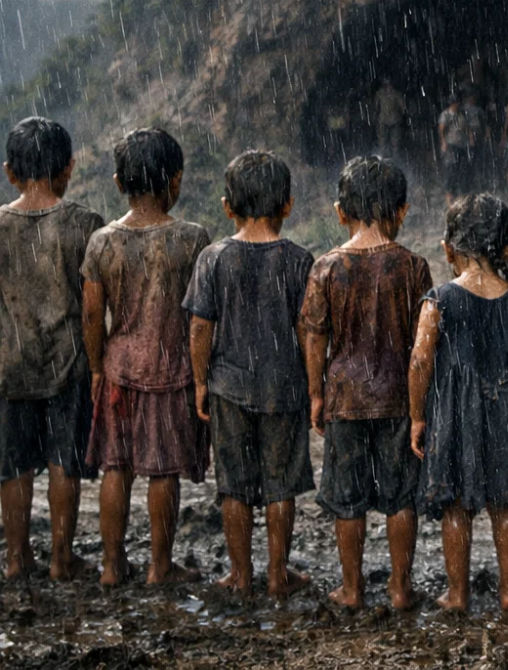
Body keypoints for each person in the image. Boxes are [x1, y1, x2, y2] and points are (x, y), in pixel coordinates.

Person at [408, 194, 508, 613]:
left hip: (455, 412)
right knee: (506, 500)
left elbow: (420, 359)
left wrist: (417, 416)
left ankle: (457, 594)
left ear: (448, 249)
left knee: (456, 503)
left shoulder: (438, 300)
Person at [299, 155, 431, 612]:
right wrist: (421, 407)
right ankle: (399, 587)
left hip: (345, 397)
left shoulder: (326, 268)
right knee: (400, 497)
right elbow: (422, 345)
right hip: (397, 396)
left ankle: (351, 588)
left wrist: (316, 392)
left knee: (348, 497)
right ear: (401, 210)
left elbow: (314, 334)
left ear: (341, 211)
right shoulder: (412, 267)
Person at [81, 128, 210, 586]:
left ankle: (112, 566)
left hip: (119, 367)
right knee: (163, 470)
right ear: (175, 180)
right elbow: (200, 315)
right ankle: (160, 566)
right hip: (170, 367)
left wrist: (96, 366)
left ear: (119, 182)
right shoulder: (193, 239)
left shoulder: (102, 242)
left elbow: (93, 314)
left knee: (115, 467)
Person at [185, 151, 314, 598]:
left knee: (234, 485)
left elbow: (201, 326)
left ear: (227, 206)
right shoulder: (299, 261)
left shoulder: (213, 258)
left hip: (228, 385)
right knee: (282, 485)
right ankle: (278, 575)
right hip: (284, 385)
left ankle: (240, 576)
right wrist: (312, 384)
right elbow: (307, 330)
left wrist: (200, 381)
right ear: (287, 205)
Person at [0, 117, 104, 581]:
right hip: (70, 361)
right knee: (66, 460)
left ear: (9, 172)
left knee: (14, 462)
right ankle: (63, 559)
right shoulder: (85, 225)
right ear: (68, 168)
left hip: (10, 363)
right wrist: (97, 363)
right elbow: (93, 309)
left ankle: (17, 558)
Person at [438, 95, 471, 204]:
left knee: (460, 169)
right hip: (451, 146)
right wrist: (443, 142)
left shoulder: (460, 114)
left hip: (460, 145)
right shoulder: (446, 115)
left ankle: (460, 196)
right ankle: (449, 197)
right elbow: (441, 129)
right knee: (450, 170)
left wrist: (469, 138)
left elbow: (466, 127)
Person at [373, 78, 407, 157]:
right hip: (383, 121)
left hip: (393, 121)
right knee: (382, 143)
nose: (388, 87)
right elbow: (375, 107)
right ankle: (382, 160)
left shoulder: (396, 94)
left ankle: (394, 160)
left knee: (394, 143)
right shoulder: (379, 94)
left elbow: (403, 108)